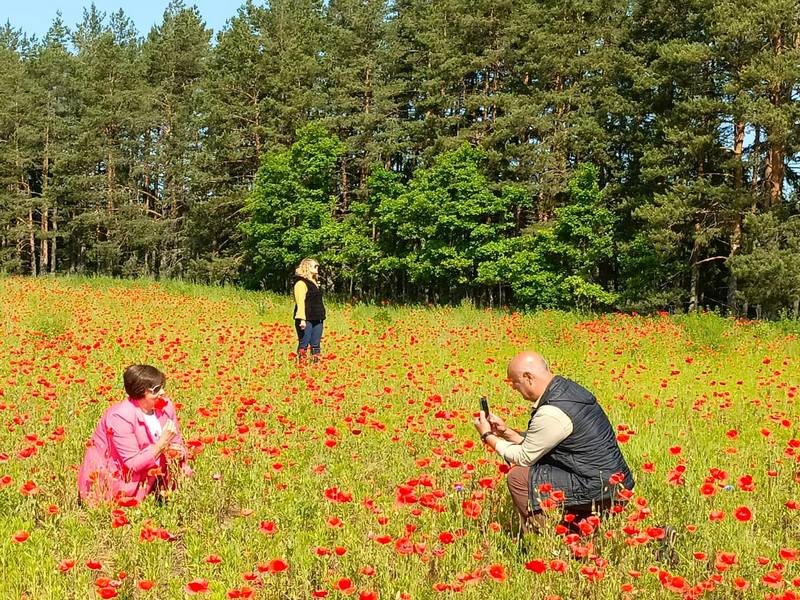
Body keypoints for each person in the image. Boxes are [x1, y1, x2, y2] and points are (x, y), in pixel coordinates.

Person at [474, 351, 634, 531]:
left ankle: (544, 537)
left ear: (528, 378)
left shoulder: (552, 410)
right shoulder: (565, 390)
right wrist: (506, 432)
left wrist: (487, 436)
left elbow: (524, 457)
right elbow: (542, 441)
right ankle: (579, 530)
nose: (513, 388)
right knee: (538, 467)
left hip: (601, 487)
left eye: (515, 383)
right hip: (611, 479)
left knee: (519, 477)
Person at [77, 364, 191, 505]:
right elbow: (132, 464)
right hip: (121, 480)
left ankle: (160, 493)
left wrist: (178, 452)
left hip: (154, 475)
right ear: (140, 392)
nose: (163, 392)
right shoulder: (121, 417)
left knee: (183, 472)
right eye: (156, 390)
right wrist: (162, 444)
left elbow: (177, 441)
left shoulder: (166, 407)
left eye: (162, 386)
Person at [293, 257, 326, 362]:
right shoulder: (301, 283)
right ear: (307, 267)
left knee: (316, 344)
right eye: (315, 266)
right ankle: (301, 365)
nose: (317, 268)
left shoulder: (315, 282)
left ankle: (316, 365)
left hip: (317, 317)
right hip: (306, 318)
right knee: (304, 343)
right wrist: (302, 319)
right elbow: (300, 302)